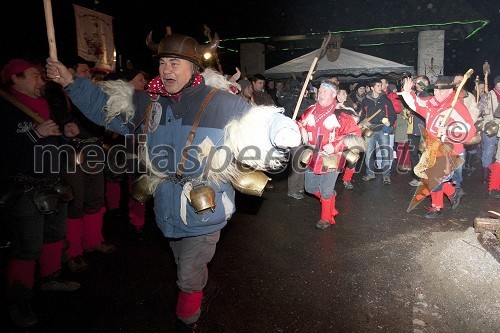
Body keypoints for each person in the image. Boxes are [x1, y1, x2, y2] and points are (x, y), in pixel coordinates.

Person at [46, 32, 300, 331]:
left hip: (206, 205)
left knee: (187, 275)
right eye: (164, 62)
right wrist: (71, 83)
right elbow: (106, 108)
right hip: (166, 203)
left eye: (176, 63)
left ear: (193, 68)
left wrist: (281, 128)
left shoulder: (218, 100)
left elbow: (258, 119)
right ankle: (198, 287)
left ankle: (188, 318)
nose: (167, 69)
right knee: (183, 261)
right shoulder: (148, 101)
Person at [0, 58, 81, 328]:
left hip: (53, 181)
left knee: (55, 235)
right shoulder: (6, 108)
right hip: (24, 187)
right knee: (27, 247)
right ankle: (19, 300)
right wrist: (34, 135)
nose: (41, 81)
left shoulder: (48, 104)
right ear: (15, 79)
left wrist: (66, 132)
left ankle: (50, 278)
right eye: (35, 76)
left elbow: (57, 136)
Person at [45, 56, 115, 274]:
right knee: (75, 201)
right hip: (73, 151)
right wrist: (67, 123)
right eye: (84, 71)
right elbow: (58, 110)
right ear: (71, 71)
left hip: (94, 149)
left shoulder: (92, 91)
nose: (88, 75)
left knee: (95, 197)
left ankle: (93, 240)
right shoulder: (57, 90)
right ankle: (73, 252)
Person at [401, 76, 477, 218]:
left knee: (434, 178)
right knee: (433, 178)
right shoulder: (431, 102)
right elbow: (416, 104)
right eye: (436, 90)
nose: (438, 93)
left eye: (442, 91)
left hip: (450, 148)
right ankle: (453, 193)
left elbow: (469, 130)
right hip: (433, 147)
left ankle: (438, 207)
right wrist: (407, 92)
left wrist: (448, 131)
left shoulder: (457, 106)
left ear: (450, 91)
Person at [297, 81, 363, 229]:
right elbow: (301, 124)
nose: (320, 93)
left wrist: (335, 146)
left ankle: (326, 217)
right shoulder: (310, 110)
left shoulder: (341, 113)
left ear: (334, 95)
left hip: (332, 157)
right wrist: (296, 126)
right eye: (320, 91)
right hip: (313, 154)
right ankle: (329, 201)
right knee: (310, 188)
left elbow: (355, 134)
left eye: (325, 91)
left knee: (326, 191)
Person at [359, 79, 397, 185]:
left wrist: (391, 121)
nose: (381, 87)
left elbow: (393, 113)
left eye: (381, 85)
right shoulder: (365, 100)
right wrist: (362, 122)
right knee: (369, 153)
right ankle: (370, 173)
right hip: (369, 130)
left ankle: (386, 175)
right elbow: (362, 115)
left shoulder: (386, 100)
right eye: (378, 86)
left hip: (382, 129)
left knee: (385, 153)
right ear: (372, 87)